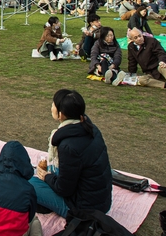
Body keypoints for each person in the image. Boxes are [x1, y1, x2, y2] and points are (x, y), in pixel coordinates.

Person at [29, 89, 112, 220]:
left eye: (53, 105)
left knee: (29, 183)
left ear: (61, 114)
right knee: (40, 178)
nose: (51, 107)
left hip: (83, 210)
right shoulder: (90, 128)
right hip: (101, 201)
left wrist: (46, 177)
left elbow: (64, 189)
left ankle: (47, 204)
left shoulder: (68, 146)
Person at [126, 28, 166, 99]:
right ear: (131, 39)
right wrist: (132, 73)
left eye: (140, 36)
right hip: (150, 73)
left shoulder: (152, 41)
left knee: (161, 67)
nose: (139, 38)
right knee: (142, 80)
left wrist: (162, 61)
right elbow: (132, 61)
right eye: (136, 38)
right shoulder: (131, 47)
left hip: (164, 68)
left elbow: (161, 53)